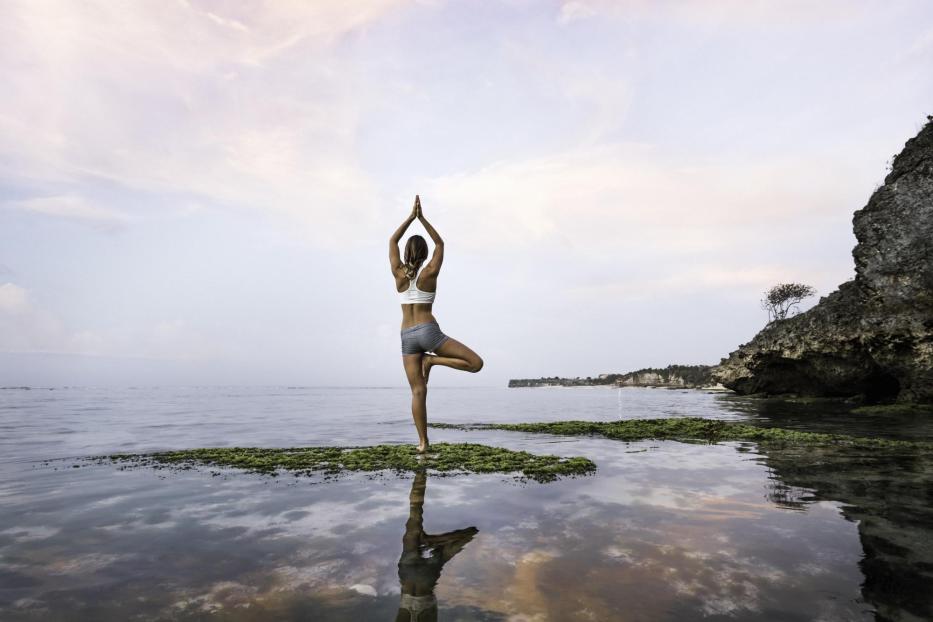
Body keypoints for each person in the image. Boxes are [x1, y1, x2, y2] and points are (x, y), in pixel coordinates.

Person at [390, 195, 483, 452]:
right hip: (429, 333)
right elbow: (440, 242)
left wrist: (410, 218)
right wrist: (423, 218)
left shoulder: (398, 272)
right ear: (425, 253)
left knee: (418, 392)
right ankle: (432, 360)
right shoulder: (430, 271)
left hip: (407, 335)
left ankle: (422, 444)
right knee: (476, 364)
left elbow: (392, 240)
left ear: (407, 253)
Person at [395, 470, 478, 622]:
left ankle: (435, 541)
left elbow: (473, 532)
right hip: (407, 579)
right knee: (415, 511)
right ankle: (421, 469)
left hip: (425, 585)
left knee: (467, 536)